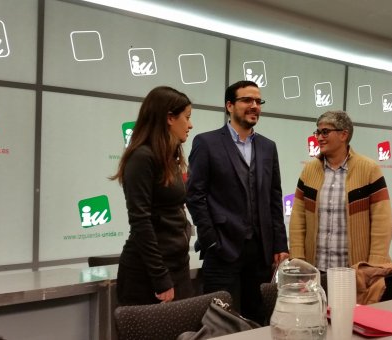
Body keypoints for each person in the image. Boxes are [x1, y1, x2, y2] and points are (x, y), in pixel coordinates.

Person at [186, 80, 289, 323]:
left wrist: (279, 244)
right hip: (222, 250)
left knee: (258, 320)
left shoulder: (268, 147)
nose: (254, 106)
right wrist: (210, 239)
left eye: (258, 101)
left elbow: (274, 197)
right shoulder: (207, 142)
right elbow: (194, 195)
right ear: (229, 106)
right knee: (222, 322)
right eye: (247, 100)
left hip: (261, 253)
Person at [110, 86, 194, 305]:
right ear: (169, 118)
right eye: (187, 117)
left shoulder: (170, 158)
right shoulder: (142, 157)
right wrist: (160, 278)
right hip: (148, 275)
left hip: (177, 268)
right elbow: (141, 221)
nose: (190, 125)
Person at [289, 110, 392, 272]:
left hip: (355, 271)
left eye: (325, 132)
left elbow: (382, 222)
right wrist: (298, 259)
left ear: (343, 135)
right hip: (316, 271)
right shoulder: (308, 171)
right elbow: (297, 219)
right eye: (317, 132)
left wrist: (374, 265)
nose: (318, 137)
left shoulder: (369, 169)